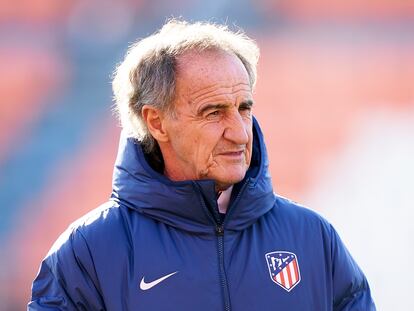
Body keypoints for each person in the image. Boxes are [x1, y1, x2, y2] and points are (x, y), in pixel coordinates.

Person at [29, 19, 376, 310]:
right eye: (214, 113)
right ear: (156, 122)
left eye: (244, 108)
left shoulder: (312, 238)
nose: (241, 134)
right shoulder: (89, 251)